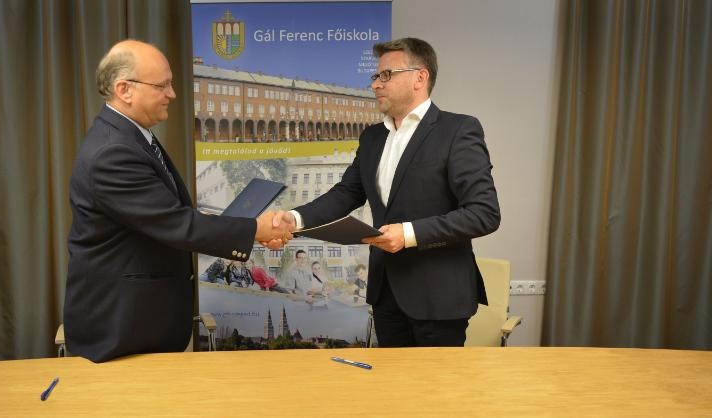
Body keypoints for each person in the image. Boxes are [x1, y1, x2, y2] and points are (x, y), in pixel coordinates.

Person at [64, 40, 292, 363]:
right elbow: (177, 223)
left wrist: (242, 225)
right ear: (124, 90)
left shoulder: (132, 136)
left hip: (140, 324)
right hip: (120, 331)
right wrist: (255, 229)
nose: (172, 94)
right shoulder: (112, 152)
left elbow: (164, 213)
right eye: (162, 86)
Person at [272, 38, 500, 347]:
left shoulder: (458, 130)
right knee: (391, 380)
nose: (375, 84)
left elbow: (484, 213)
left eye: (386, 75)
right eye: (376, 76)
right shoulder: (372, 137)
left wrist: (407, 234)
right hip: (386, 293)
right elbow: (345, 194)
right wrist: (294, 219)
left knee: (436, 381)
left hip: (439, 298)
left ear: (420, 77)